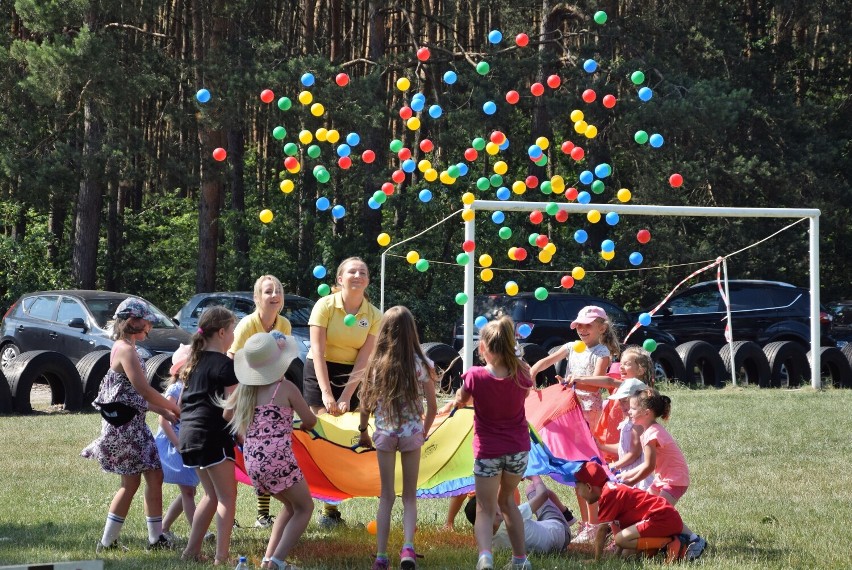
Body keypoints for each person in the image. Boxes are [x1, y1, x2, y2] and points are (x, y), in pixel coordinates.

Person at [82, 297, 181, 552]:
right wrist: (174, 407)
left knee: (153, 476)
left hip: (132, 425)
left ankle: (154, 538)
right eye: (147, 322)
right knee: (132, 483)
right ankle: (109, 542)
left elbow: (130, 397)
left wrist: (163, 411)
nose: (150, 326)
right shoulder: (126, 350)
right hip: (126, 428)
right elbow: (144, 390)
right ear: (133, 321)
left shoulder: (126, 347)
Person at [223, 332, 317, 570]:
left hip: (253, 460)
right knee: (305, 508)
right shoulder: (285, 388)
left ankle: (268, 559)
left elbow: (226, 415)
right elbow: (310, 420)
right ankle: (277, 562)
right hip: (278, 459)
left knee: (290, 506)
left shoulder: (245, 390)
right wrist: (304, 424)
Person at [529, 305, 620, 543]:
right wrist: (532, 372)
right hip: (571, 414)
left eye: (588, 325)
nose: (582, 329)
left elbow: (595, 386)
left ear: (602, 327)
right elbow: (545, 362)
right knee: (576, 472)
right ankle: (588, 523)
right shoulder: (571, 347)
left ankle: (596, 522)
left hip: (588, 417)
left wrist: (575, 381)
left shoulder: (601, 352)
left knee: (588, 470)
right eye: (579, 325)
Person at [449, 316, 534, 570]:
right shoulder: (522, 372)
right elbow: (524, 392)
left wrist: (455, 399)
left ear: (482, 347)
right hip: (518, 450)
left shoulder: (475, 376)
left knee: (486, 509)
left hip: (488, 451)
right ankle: (520, 561)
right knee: (508, 502)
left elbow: (461, 400)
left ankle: (485, 557)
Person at [356, 306, 438, 570]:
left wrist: (363, 431)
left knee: (386, 496)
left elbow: (366, 404)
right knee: (410, 496)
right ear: (411, 331)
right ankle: (408, 549)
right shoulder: (422, 364)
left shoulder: (376, 365)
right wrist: (422, 432)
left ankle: (381, 557)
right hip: (411, 434)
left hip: (384, 434)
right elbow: (433, 406)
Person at [305, 256, 382, 527]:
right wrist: (327, 394)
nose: (358, 275)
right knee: (324, 435)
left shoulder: (374, 314)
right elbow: (318, 351)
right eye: (352, 271)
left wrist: (347, 395)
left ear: (368, 280)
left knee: (347, 437)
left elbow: (364, 359)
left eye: (363, 271)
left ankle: (332, 509)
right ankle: (321, 505)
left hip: (352, 375)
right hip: (319, 369)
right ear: (340, 279)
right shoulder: (324, 305)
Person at [228, 275, 295, 529]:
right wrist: (237, 402)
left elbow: (282, 359)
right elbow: (231, 358)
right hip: (246, 391)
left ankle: (262, 515)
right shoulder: (247, 325)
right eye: (268, 291)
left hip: (271, 392)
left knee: (267, 448)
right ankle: (228, 514)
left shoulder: (284, 324)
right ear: (257, 298)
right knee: (239, 453)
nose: (274, 294)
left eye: (278, 290)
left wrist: (280, 394)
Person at [177, 307, 239, 565]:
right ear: (223, 332)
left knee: (210, 495)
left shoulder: (194, 362)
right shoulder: (226, 365)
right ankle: (221, 557)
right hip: (212, 435)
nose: (234, 336)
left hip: (189, 436)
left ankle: (191, 552)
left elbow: (181, 403)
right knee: (227, 496)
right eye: (233, 331)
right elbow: (231, 409)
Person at [618, 388, 706, 556]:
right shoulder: (649, 431)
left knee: (659, 514)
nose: (629, 411)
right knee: (646, 510)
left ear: (647, 412)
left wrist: (628, 483)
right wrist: (626, 475)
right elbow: (646, 465)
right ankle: (658, 545)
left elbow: (648, 467)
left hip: (674, 480)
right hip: (663, 479)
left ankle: (694, 540)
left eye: (633, 408)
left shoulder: (652, 434)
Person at [573, 461, 707, 562]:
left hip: (661, 518)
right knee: (627, 556)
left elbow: (602, 530)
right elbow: (623, 527)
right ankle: (661, 549)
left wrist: (597, 560)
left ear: (589, 487)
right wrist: (616, 556)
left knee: (620, 540)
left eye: (578, 488)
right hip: (663, 517)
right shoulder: (609, 489)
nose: (578, 493)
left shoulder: (607, 495)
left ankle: (669, 543)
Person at [154, 343, 202, 543]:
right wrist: (177, 444)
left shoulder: (193, 388)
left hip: (186, 443)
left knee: (189, 490)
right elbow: (163, 419)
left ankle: (164, 527)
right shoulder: (176, 388)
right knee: (188, 491)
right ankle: (197, 533)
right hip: (174, 444)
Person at [464, 475, 575, 555]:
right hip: (561, 532)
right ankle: (566, 515)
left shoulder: (491, 543)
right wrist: (535, 477)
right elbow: (543, 495)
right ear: (496, 511)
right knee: (531, 489)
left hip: (552, 547)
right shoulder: (513, 517)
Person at [596, 349, 654, 490]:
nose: (622, 405)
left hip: (638, 477)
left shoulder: (637, 424)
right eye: (620, 401)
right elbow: (623, 448)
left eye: (626, 401)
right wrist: (601, 446)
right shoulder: (629, 421)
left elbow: (634, 453)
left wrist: (613, 466)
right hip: (627, 473)